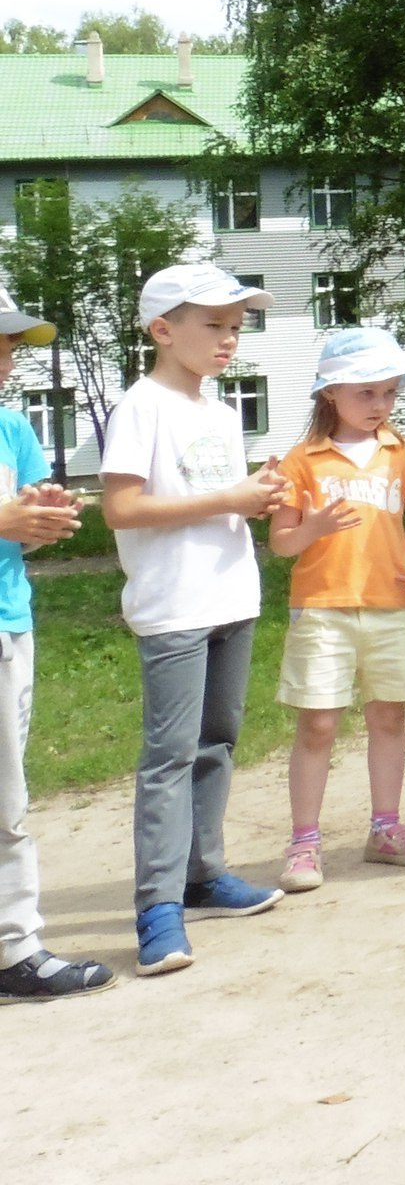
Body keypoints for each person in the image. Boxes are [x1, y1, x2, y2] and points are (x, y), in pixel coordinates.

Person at [99, 264, 288, 977]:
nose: (228, 339)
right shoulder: (141, 406)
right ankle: (156, 908)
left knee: (218, 742)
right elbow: (121, 509)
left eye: (236, 326)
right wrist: (230, 499)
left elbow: (217, 497)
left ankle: (203, 875)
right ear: (162, 329)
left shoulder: (219, 410)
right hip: (173, 605)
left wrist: (256, 496)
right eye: (213, 324)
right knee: (170, 757)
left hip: (231, 596)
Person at [267, 327, 405, 890]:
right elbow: (280, 542)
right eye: (365, 393)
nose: (379, 406)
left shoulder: (402, 452)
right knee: (318, 723)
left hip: (392, 606)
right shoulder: (302, 460)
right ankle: (304, 843)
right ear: (331, 393)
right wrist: (312, 526)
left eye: (389, 393)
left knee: (388, 716)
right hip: (322, 608)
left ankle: (386, 829)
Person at [0, 283, 114, 1002]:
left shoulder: (11, 426)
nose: (7, 359)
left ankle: (13, 945)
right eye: (0, 343)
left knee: (5, 793)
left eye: (10, 345)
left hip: (9, 622)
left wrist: (41, 519)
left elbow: (21, 533)